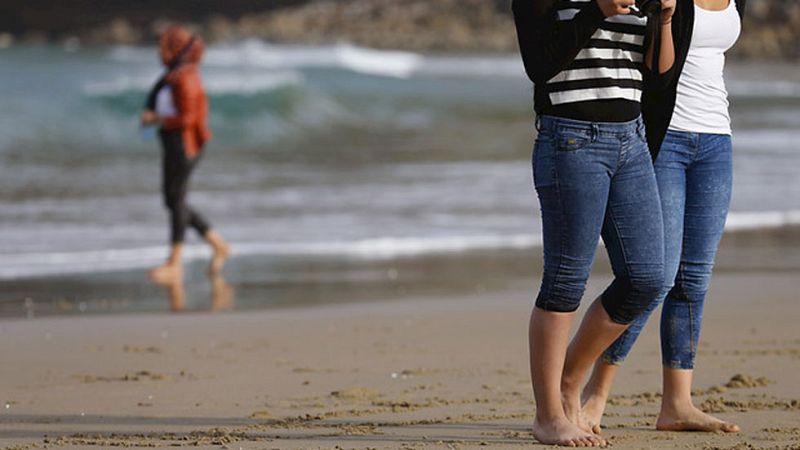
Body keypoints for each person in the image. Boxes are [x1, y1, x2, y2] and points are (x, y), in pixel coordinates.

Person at [512, 0, 676, 446]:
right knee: (565, 281)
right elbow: (540, 66)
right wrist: (598, 11)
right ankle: (548, 416)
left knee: (647, 277)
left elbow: (658, 78)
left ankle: (569, 381)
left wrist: (663, 19)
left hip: (632, 139)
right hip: (570, 138)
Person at [581, 0, 746, 434]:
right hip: (664, 139)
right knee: (657, 277)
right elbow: (650, 67)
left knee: (695, 278)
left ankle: (676, 404)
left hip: (716, 140)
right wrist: (666, 16)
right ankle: (594, 394)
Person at [141, 25, 229, 282]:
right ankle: (218, 245)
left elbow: (188, 118)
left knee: (176, 201)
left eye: (166, 46)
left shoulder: (186, 78)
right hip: (172, 143)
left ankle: (175, 263)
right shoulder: (172, 75)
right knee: (171, 200)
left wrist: (157, 118)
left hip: (185, 145)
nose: (161, 51)